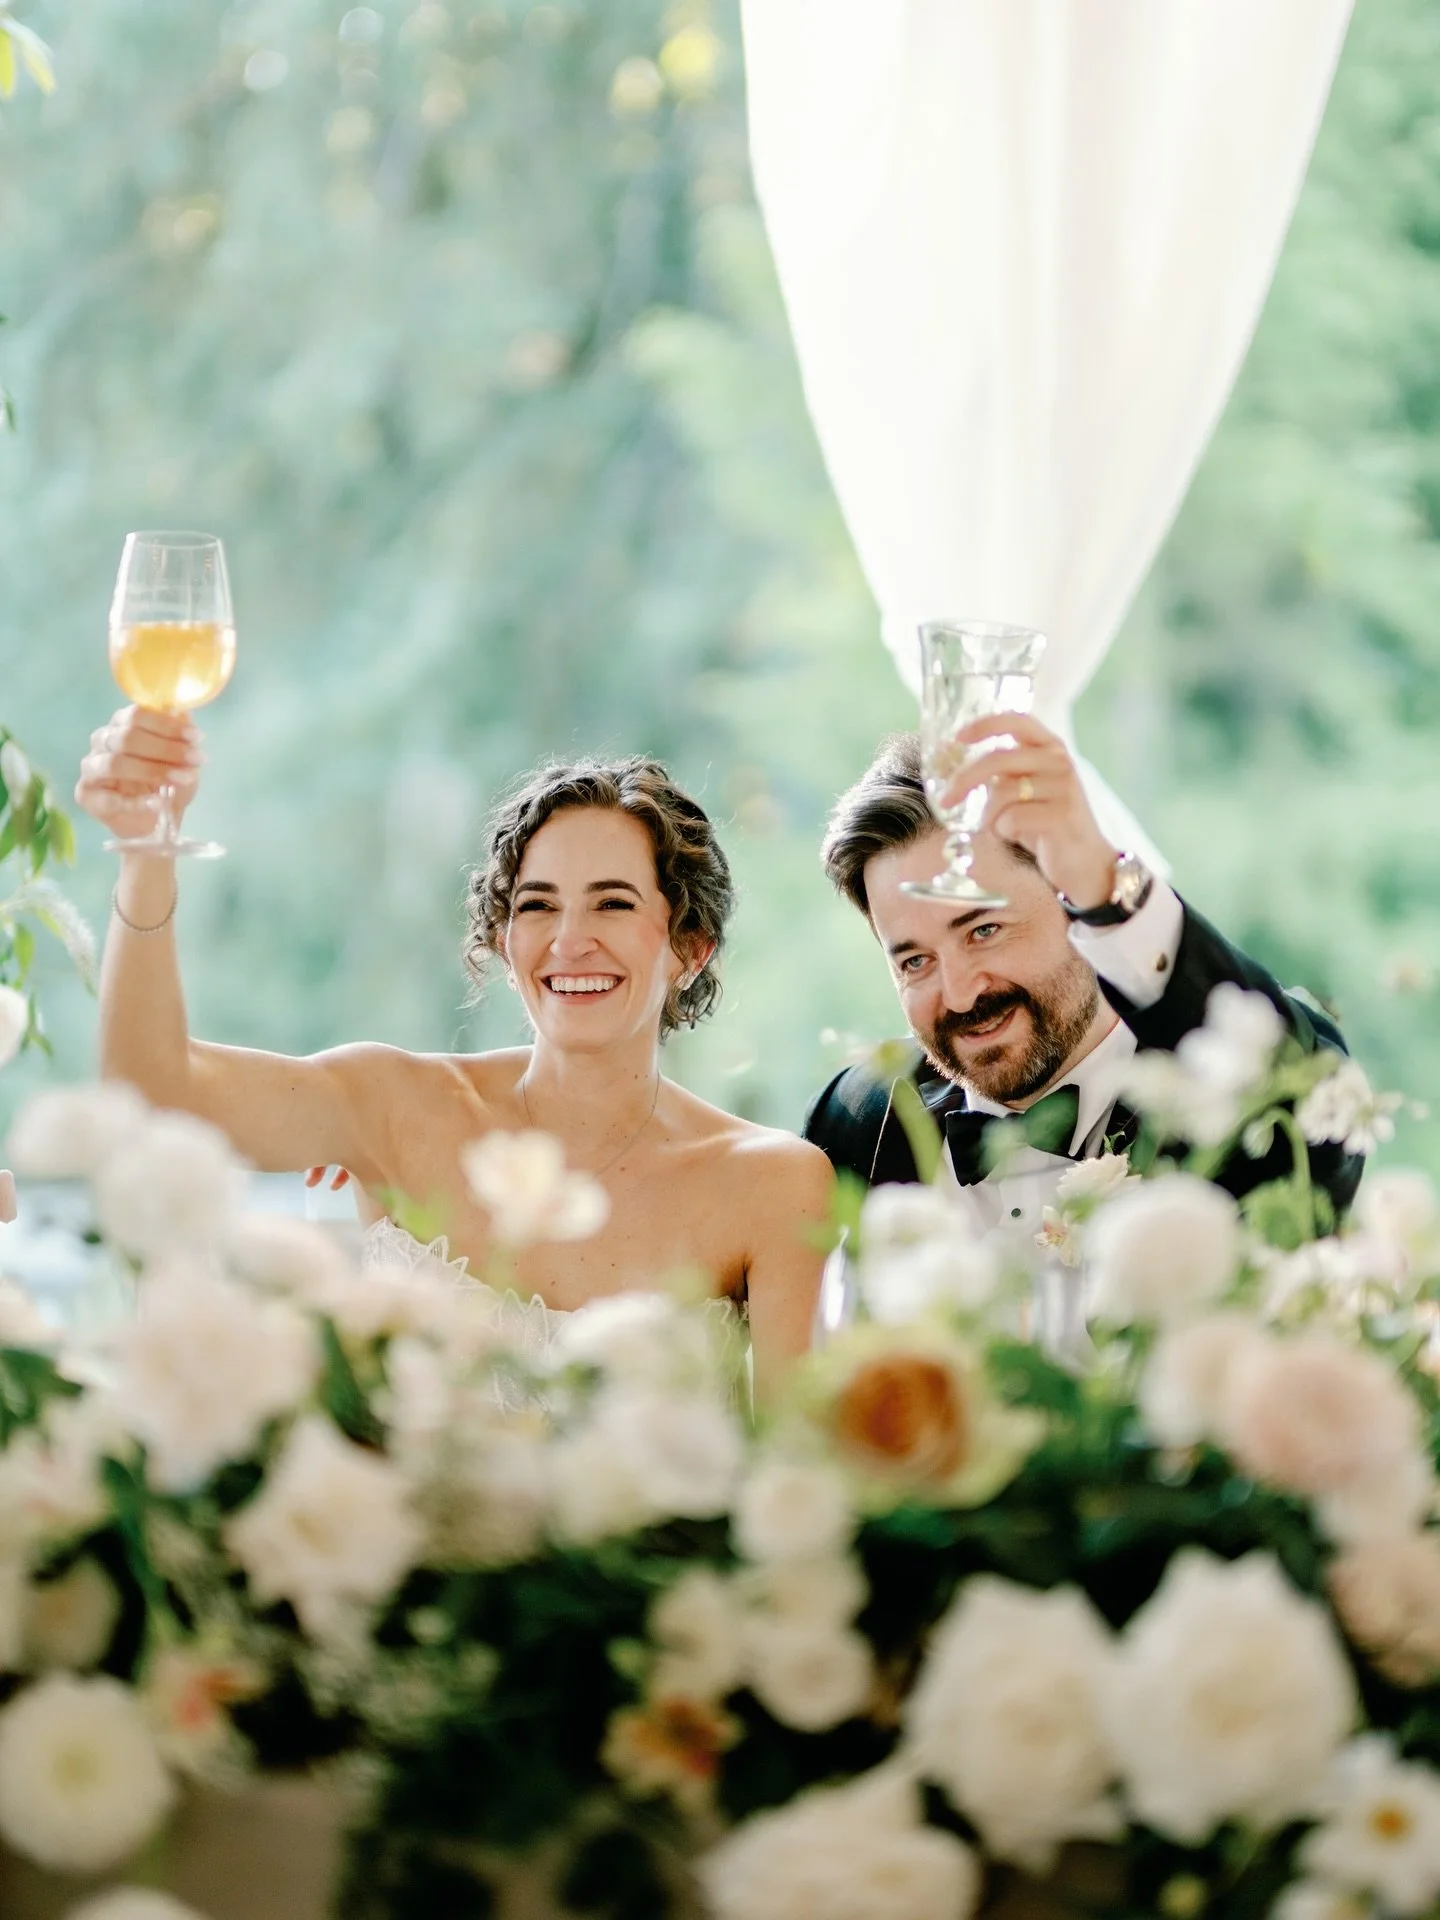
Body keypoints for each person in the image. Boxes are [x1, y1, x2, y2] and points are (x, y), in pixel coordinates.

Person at [75, 707, 833, 1399]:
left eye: (612, 902)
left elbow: (800, 1467)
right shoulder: (393, 1106)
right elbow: (148, 1094)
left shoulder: (772, 1183)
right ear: (504, 942)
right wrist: (147, 856)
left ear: (691, 949)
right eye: (537, 905)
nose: (569, 940)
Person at [804, 717, 1364, 1237]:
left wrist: (1107, 884)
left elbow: (1303, 1092)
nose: (961, 993)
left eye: (984, 931)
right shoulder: (854, 1120)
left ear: (1071, 898)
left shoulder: (1233, 1095)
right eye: (915, 962)